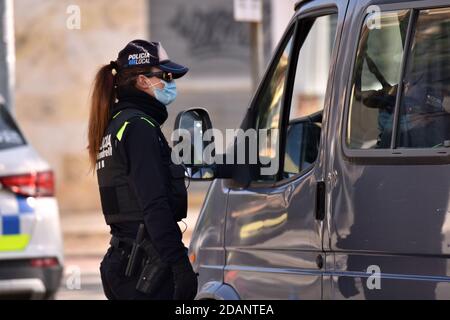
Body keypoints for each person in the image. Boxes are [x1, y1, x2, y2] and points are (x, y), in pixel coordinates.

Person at [87, 39, 198, 300]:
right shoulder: (138, 127)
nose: (171, 83)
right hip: (144, 270)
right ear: (142, 80)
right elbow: (153, 204)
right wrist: (179, 263)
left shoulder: (117, 125)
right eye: (166, 76)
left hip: (124, 263)